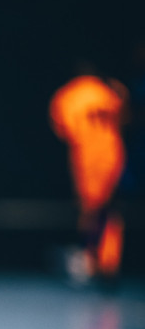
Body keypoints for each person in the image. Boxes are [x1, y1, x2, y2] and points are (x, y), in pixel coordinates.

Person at [49, 65, 127, 285]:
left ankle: (92, 261)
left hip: (87, 158)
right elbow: (124, 117)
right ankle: (106, 261)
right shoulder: (107, 90)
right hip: (113, 155)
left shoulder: (68, 94)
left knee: (91, 211)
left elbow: (63, 130)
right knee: (109, 209)